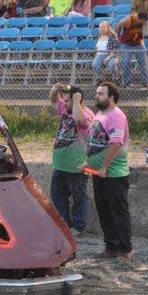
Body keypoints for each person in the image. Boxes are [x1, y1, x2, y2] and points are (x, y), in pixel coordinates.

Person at [81, 82, 133, 259]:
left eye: (101, 94)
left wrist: (103, 166)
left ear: (111, 97)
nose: (97, 96)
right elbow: (96, 140)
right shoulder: (101, 113)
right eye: (97, 93)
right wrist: (88, 163)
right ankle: (111, 246)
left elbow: (115, 144)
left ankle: (125, 249)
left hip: (114, 174)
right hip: (98, 173)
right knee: (103, 210)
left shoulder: (117, 116)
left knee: (117, 211)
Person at [49, 84, 95, 237]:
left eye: (68, 100)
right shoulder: (65, 109)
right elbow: (53, 99)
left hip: (76, 166)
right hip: (60, 165)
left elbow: (79, 119)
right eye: (65, 100)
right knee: (57, 196)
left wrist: (76, 101)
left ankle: (79, 227)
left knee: (78, 198)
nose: (64, 102)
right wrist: (56, 88)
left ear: (77, 100)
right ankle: (65, 225)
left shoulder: (86, 114)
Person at [115, 11, 148, 87]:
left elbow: (146, 33)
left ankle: (145, 82)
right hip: (126, 43)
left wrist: (146, 24)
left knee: (143, 62)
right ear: (139, 18)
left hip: (138, 43)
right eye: (142, 21)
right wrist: (118, 37)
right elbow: (118, 26)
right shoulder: (127, 20)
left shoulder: (145, 21)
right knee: (125, 62)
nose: (143, 22)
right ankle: (127, 82)